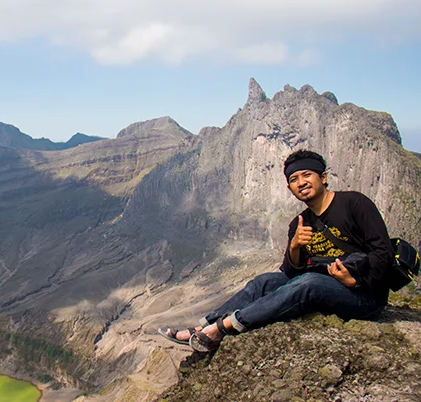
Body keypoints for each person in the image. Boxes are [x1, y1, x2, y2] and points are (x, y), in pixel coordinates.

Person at [159, 149, 395, 352]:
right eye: (294, 179)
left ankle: (224, 327)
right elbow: (290, 274)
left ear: (323, 177)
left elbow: (382, 251)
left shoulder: (354, 204)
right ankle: (204, 325)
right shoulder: (300, 222)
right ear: (289, 187)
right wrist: (294, 246)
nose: (301, 182)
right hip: (326, 289)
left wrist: (353, 281)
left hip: (365, 297)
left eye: (307, 175)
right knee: (264, 282)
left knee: (310, 282)